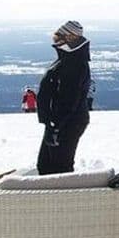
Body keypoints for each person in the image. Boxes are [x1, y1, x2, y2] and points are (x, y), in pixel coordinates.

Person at [36, 20, 91, 175]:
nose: (55, 39)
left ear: (71, 37)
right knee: (46, 166)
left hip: (67, 123)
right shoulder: (66, 59)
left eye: (59, 36)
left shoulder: (75, 63)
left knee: (58, 168)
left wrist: (55, 127)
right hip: (60, 122)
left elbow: (69, 100)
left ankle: (64, 198)